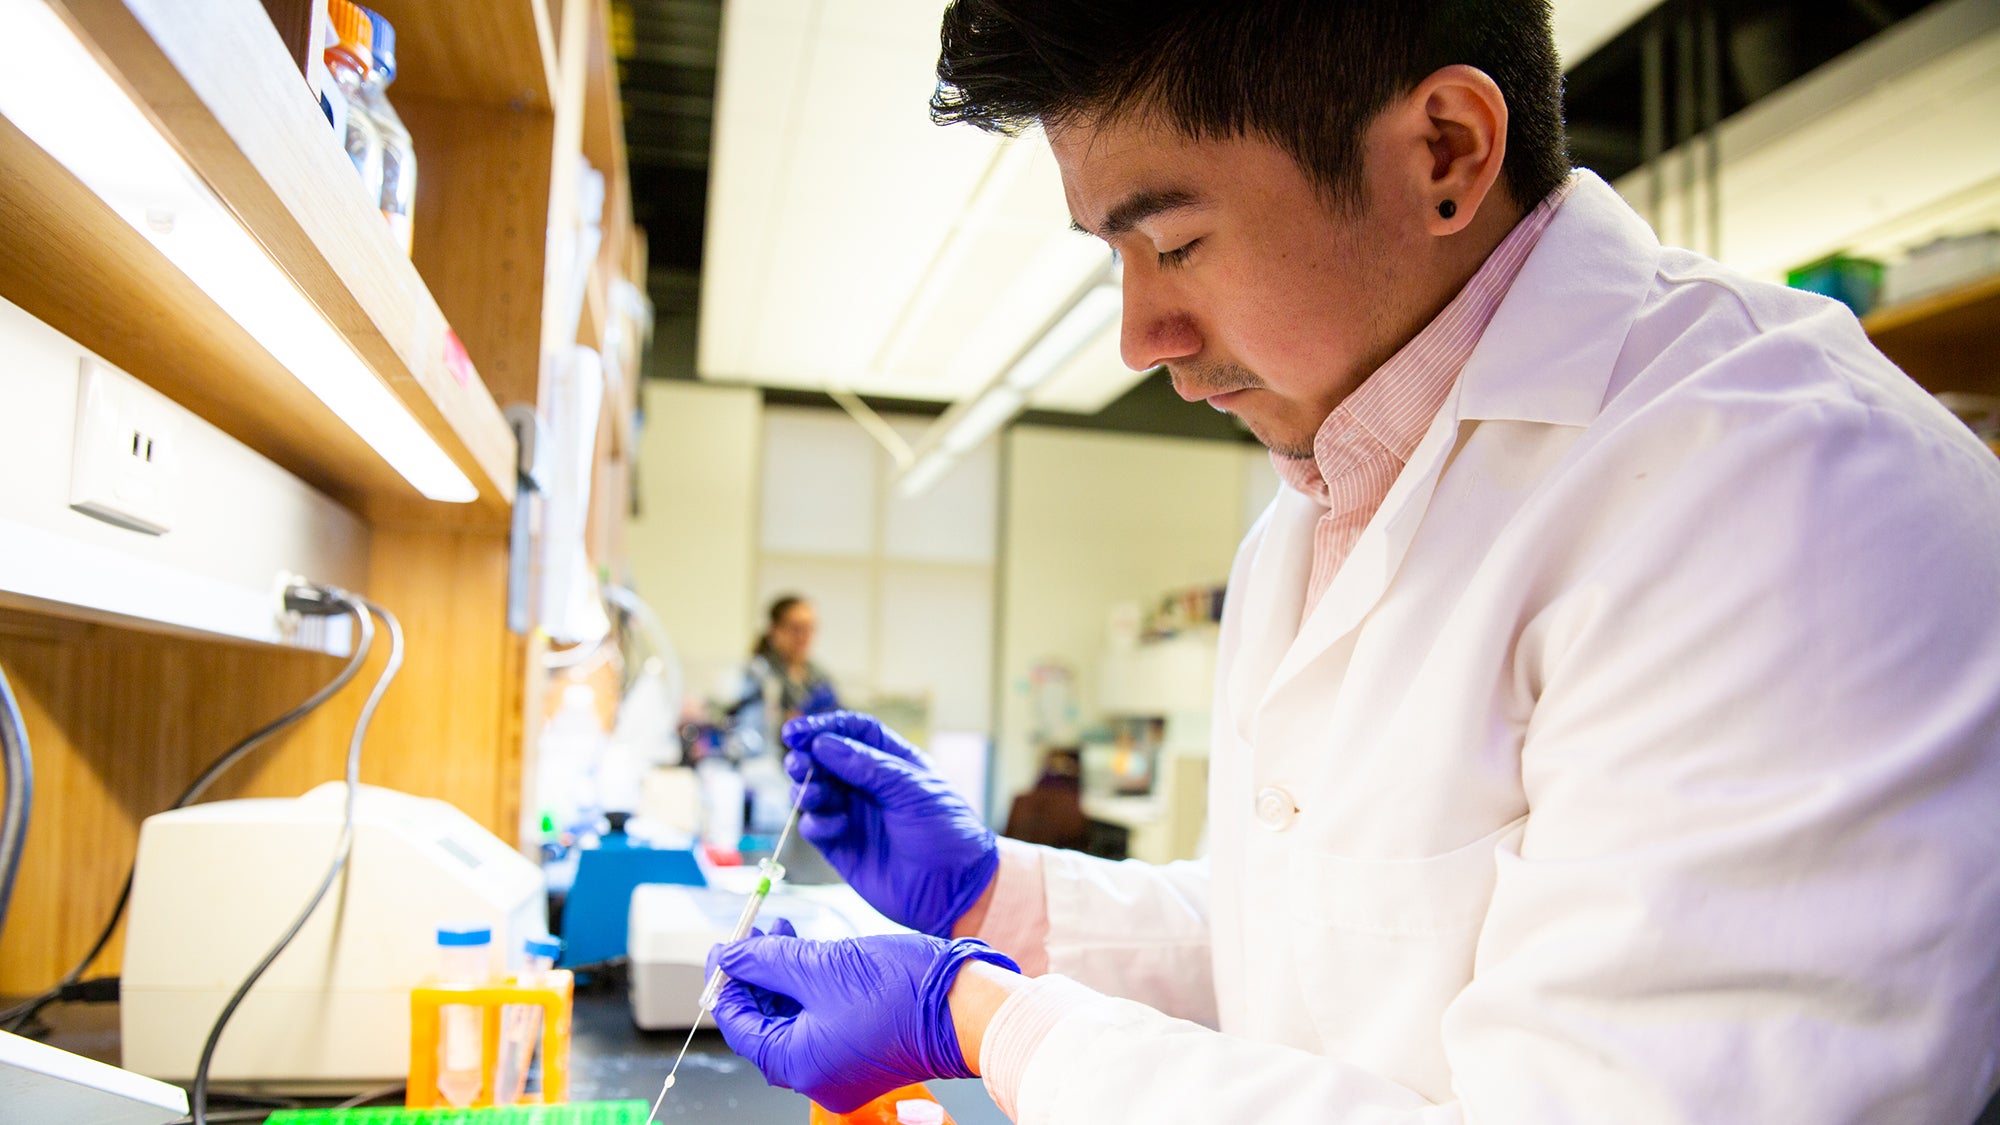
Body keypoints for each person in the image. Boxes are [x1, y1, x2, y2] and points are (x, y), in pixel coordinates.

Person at [701, 3, 2000, 1122]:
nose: (1138, 332)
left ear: (1445, 149)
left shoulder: (1773, 496)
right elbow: (1325, 959)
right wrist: (1007, 899)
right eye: (1114, 255)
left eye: (1176, 240)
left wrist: (990, 1021)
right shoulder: (1321, 499)